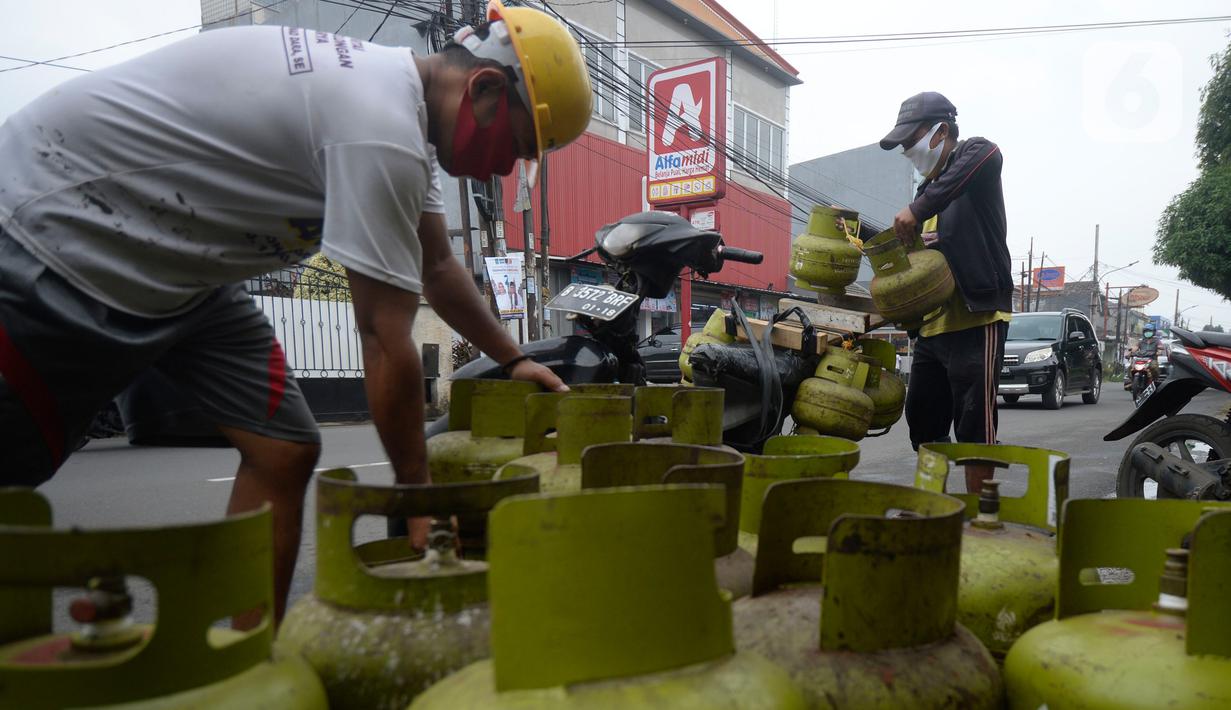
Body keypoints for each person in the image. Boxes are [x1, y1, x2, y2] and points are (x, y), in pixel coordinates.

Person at [0, 0, 589, 620]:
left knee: (283, 448)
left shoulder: (403, 121)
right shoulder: (378, 121)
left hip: (191, 274)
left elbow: (438, 269)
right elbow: (383, 334)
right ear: (485, 87)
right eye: (517, 146)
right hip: (61, 230)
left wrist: (513, 359)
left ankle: (246, 654)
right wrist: (417, 500)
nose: (506, 168)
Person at [879, 92, 1012, 493]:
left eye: (911, 138)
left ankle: (979, 516)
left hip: (977, 318)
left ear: (942, 132)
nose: (906, 149)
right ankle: (933, 507)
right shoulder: (927, 191)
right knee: (922, 419)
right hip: (933, 330)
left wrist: (919, 210)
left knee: (975, 425)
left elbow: (988, 154)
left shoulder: (974, 160)